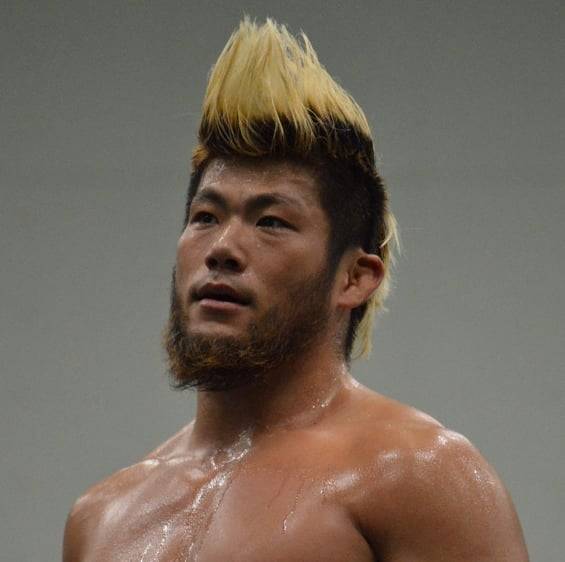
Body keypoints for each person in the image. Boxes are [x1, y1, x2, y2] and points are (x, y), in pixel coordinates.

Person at [63, 17, 529, 561]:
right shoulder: (101, 518)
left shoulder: (416, 475)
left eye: (271, 222)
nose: (222, 248)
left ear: (354, 278)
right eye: (206, 216)